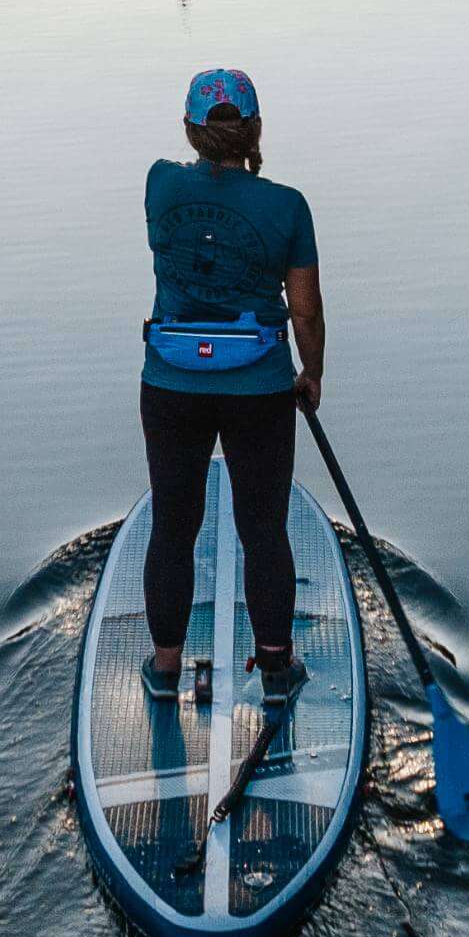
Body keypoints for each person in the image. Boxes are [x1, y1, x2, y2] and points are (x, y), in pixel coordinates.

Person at [139, 66, 323, 705]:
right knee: (263, 528)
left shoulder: (160, 185)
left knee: (173, 525)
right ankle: (276, 671)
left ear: (191, 130)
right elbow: (304, 309)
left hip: (171, 384)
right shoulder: (287, 206)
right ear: (255, 130)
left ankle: (165, 670)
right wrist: (311, 372)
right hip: (260, 389)